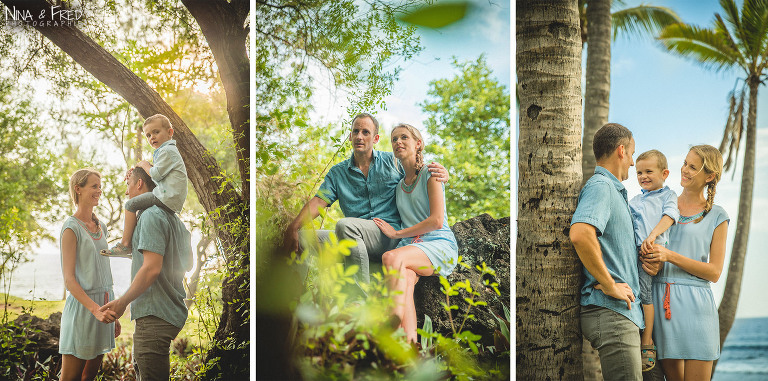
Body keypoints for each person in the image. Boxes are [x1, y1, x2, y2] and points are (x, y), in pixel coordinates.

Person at [283, 113, 448, 296]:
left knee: (346, 225)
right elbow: (319, 201)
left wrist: (441, 173)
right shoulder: (338, 173)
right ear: (350, 136)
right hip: (351, 240)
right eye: (356, 131)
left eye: (365, 132)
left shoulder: (393, 162)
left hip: (388, 237)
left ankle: (358, 297)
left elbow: (417, 170)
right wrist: (293, 227)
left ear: (376, 138)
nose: (360, 136)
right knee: (301, 240)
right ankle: (293, 305)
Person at [569, 123, 647, 380]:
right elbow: (580, 234)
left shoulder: (612, 191)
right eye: (633, 154)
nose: (634, 164)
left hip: (619, 314)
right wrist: (611, 285)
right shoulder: (601, 186)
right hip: (612, 312)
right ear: (621, 151)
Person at [100, 166, 193, 380]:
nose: (126, 192)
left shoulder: (150, 216)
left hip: (154, 316)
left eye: (128, 184)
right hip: (168, 313)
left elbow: (151, 268)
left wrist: (122, 302)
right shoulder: (175, 220)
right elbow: (187, 263)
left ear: (139, 183)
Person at [644, 144, 727, 381]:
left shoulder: (717, 215)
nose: (685, 170)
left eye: (693, 167)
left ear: (709, 176)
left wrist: (669, 256)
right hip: (662, 303)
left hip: (697, 308)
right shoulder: (661, 205)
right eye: (685, 163)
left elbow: (714, 272)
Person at [373, 123, 458, 343]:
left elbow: (437, 221)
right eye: (394, 139)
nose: (398, 142)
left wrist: (396, 233)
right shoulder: (399, 187)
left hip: (438, 245)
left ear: (418, 144)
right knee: (406, 279)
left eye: (404, 137)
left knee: (390, 257)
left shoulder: (431, 173)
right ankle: (410, 345)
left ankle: (392, 314)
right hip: (412, 249)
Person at [59, 168, 120, 381]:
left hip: (104, 306)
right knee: (71, 378)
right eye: (94, 186)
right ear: (78, 189)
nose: (99, 190)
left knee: (89, 377)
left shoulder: (101, 226)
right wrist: (95, 310)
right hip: (84, 309)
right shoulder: (70, 228)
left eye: (100, 186)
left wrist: (112, 314)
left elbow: (103, 271)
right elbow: (69, 280)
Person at [101, 114, 188, 258]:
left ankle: (124, 245)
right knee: (140, 210)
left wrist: (144, 164)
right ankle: (136, 248)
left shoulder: (167, 150)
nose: (151, 137)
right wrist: (138, 170)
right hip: (168, 197)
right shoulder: (165, 152)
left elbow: (156, 174)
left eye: (156, 132)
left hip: (166, 196)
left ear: (170, 132)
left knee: (130, 205)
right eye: (148, 135)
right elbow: (157, 174)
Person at [626, 149, 678, 372]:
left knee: (645, 294)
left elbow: (670, 216)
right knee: (632, 290)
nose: (643, 176)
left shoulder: (668, 196)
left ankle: (646, 340)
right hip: (633, 251)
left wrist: (653, 236)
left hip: (652, 250)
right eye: (639, 172)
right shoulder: (635, 200)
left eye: (649, 171)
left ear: (664, 173)